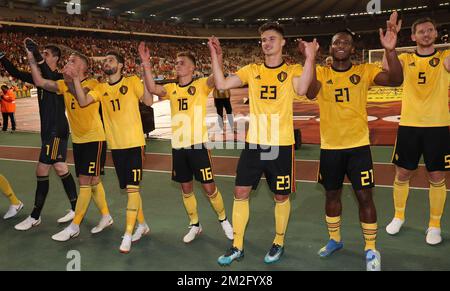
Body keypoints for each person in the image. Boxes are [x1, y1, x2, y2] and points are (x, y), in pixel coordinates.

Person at [209, 23, 318, 265]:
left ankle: (278, 241)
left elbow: (302, 88)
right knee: (240, 192)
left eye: (271, 39)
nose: (266, 43)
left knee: (281, 196)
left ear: (282, 43)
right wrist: (216, 57)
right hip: (254, 143)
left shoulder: (292, 70)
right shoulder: (252, 69)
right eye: (263, 40)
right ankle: (237, 245)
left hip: (280, 144)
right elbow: (222, 85)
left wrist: (310, 57)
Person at [306, 12, 403, 271]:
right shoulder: (320, 73)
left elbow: (396, 80)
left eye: (345, 43)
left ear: (352, 48)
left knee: (364, 197)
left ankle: (371, 248)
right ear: (331, 47)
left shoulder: (364, 70)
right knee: (331, 195)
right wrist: (310, 58)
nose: (340, 46)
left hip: (358, 146)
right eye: (336, 42)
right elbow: (309, 91)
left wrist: (390, 51)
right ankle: (335, 240)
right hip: (330, 148)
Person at [139, 43, 233, 243]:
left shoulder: (199, 86)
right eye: (177, 63)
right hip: (178, 148)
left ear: (192, 68)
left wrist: (217, 56)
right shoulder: (172, 88)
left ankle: (223, 219)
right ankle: (194, 224)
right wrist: (146, 63)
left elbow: (217, 78)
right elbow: (151, 87)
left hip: (198, 145)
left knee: (209, 187)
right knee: (186, 188)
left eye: (182, 63)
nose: (178, 65)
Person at [68, 50, 153, 254]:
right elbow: (82, 101)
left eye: (111, 59)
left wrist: (146, 70)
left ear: (121, 65)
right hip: (115, 147)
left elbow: (149, 102)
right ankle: (142, 225)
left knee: (132, 190)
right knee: (131, 190)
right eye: (105, 60)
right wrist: (75, 80)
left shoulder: (132, 81)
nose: (107, 62)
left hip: (133, 144)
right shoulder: (102, 88)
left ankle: (128, 232)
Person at [28, 50, 113, 242]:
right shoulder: (64, 85)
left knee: (84, 182)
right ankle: (106, 216)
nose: (67, 63)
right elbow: (40, 82)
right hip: (79, 140)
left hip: (94, 139)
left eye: (72, 61)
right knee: (94, 181)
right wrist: (33, 62)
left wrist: (72, 80)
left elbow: (82, 100)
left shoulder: (93, 84)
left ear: (82, 67)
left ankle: (74, 226)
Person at [0, 39, 79, 231]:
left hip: (55, 130)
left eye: (46, 54)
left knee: (41, 171)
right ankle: (77, 208)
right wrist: (2, 57)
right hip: (51, 130)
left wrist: (35, 56)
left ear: (56, 58)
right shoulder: (40, 76)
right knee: (60, 168)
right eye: (41, 53)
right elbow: (16, 73)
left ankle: (35, 216)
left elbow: (49, 74)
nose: (42, 56)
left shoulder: (60, 77)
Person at [385, 17, 450, 245]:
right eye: (421, 31)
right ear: (412, 36)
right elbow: (389, 72)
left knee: (437, 177)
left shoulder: (444, 58)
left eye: (430, 30)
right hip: (409, 126)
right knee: (402, 174)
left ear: (435, 34)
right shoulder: (405, 58)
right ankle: (399, 216)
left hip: (438, 127)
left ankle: (434, 225)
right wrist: (390, 47)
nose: (426, 34)